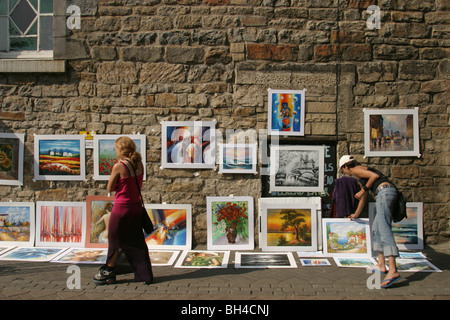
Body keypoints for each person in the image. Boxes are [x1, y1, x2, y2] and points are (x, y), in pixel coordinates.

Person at [93, 137, 153, 285]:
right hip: (136, 207)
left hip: (121, 208)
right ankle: (145, 274)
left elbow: (110, 188)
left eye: (116, 148)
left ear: (120, 149)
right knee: (137, 241)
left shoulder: (119, 166)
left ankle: (109, 271)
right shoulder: (139, 163)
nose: (115, 150)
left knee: (114, 240)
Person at [339, 155, 402, 289]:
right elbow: (364, 197)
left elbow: (374, 177)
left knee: (384, 229)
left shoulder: (356, 169)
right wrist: (356, 214)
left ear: (346, 166)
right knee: (376, 228)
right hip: (384, 194)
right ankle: (381, 263)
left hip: (384, 193)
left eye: (342, 170)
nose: (344, 173)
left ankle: (393, 269)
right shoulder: (361, 176)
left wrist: (362, 190)